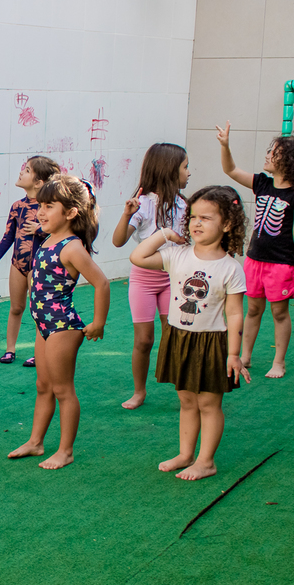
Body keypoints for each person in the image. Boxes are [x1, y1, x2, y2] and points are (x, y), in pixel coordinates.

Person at [130, 185, 249, 481]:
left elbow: (235, 313)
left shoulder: (231, 268)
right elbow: (138, 257)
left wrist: (234, 354)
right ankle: (186, 454)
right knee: (185, 399)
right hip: (178, 336)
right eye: (194, 217)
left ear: (227, 224)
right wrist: (165, 234)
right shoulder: (176, 254)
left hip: (212, 342)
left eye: (206, 218)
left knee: (208, 403)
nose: (196, 223)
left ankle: (206, 461)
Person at [7, 175, 109, 470]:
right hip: (44, 326)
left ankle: (66, 451)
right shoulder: (48, 238)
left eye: (49, 206)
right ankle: (36, 442)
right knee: (43, 385)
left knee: (63, 389)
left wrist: (98, 322)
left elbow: (101, 284)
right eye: (40, 205)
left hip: (63, 326)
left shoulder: (72, 247)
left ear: (71, 212)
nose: (40, 212)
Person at [217, 123, 294, 379]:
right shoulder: (262, 183)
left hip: (281, 263)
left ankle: (279, 361)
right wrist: (225, 146)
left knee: (279, 313)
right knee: (252, 309)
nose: (268, 154)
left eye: (274, 151)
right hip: (254, 260)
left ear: (290, 160)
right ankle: (245, 355)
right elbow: (230, 169)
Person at [111, 143, 190, 409]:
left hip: (174, 279)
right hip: (143, 280)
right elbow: (118, 241)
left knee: (175, 335)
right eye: (185, 167)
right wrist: (126, 215)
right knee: (144, 340)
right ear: (169, 170)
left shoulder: (185, 205)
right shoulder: (142, 204)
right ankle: (139, 391)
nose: (189, 173)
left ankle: (184, 390)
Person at [0, 156, 61, 367]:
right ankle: (10, 349)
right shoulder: (17, 206)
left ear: (39, 182)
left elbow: (59, 234)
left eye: (27, 170)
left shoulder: (47, 207)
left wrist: (40, 230)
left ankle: (40, 350)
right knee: (16, 307)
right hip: (18, 264)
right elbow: (8, 237)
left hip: (39, 265)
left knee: (37, 309)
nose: (21, 172)